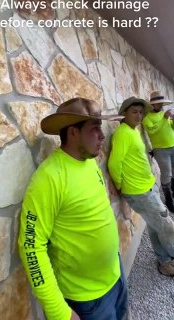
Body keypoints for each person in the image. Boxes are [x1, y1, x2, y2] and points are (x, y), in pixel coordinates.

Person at [18, 97, 128, 320]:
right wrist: (59, 311)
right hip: (86, 301)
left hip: (116, 277)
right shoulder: (49, 178)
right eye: (94, 129)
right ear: (73, 132)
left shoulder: (89, 161)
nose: (102, 136)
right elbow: (31, 246)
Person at [108, 96, 174, 277]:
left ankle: (165, 263)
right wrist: (121, 186)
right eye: (134, 112)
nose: (138, 116)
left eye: (140, 112)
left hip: (146, 187)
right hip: (140, 192)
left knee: (155, 226)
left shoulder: (132, 130)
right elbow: (115, 163)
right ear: (124, 113)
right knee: (166, 224)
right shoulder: (123, 133)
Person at [142, 90, 174, 213]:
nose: (161, 105)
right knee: (167, 173)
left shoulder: (165, 113)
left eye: (162, 102)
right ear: (152, 104)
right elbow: (152, 130)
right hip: (161, 150)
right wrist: (164, 119)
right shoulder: (147, 118)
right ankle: (168, 200)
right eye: (158, 103)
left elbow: (173, 128)